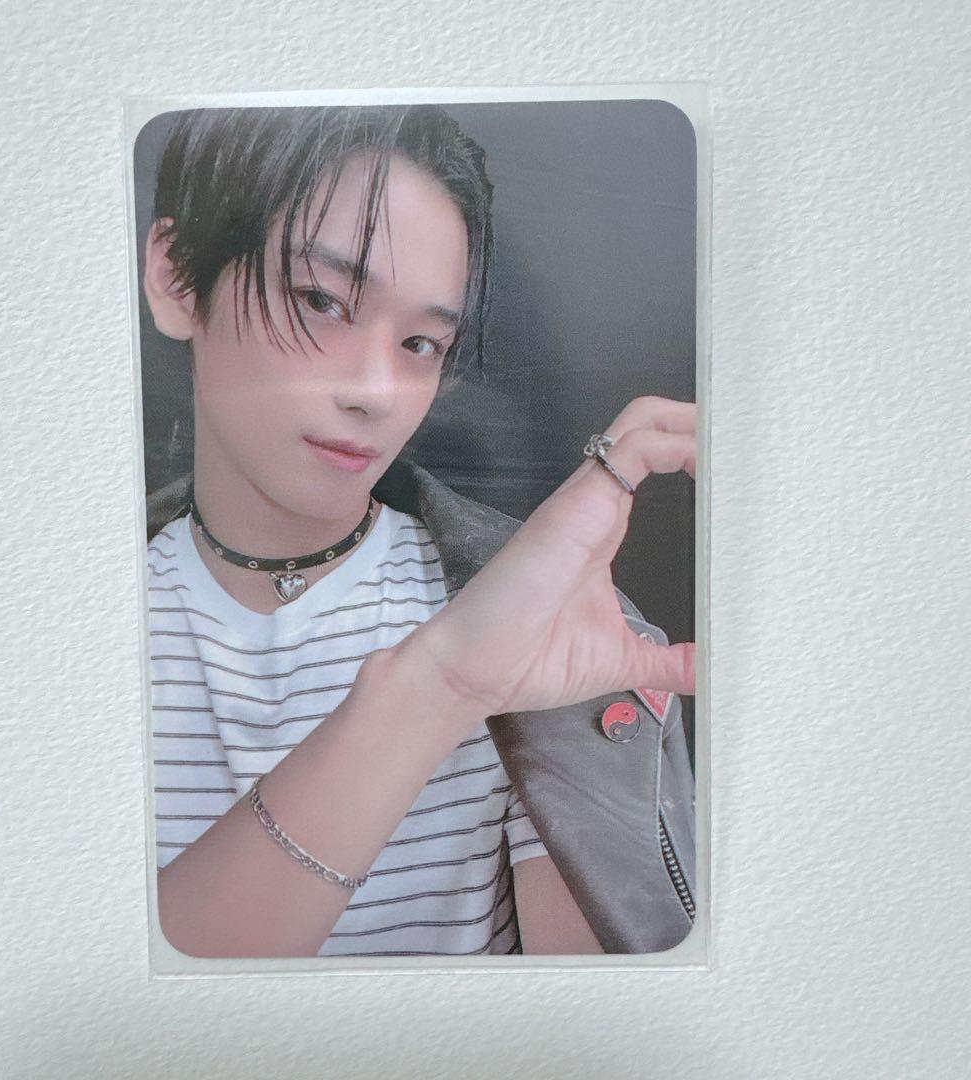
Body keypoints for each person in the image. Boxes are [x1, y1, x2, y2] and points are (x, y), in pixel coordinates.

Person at [140, 105, 697, 958]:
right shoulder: (47, 637)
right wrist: (434, 689)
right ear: (179, 277)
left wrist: (468, 679)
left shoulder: (551, 632)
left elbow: (590, 1020)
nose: (375, 391)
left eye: (421, 343)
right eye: (320, 299)